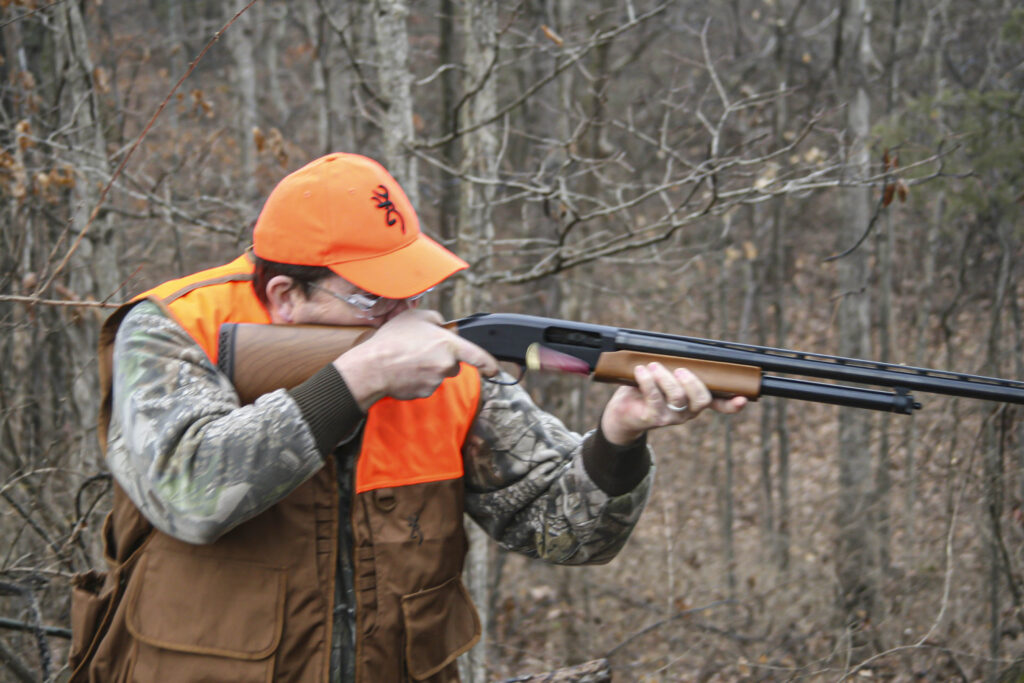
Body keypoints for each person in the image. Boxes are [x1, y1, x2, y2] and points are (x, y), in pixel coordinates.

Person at [69, 153, 746, 682]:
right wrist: (356, 380)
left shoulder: (446, 365)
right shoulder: (176, 328)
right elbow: (188, 490)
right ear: (286, 296)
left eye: (414, 290)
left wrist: (620, 434)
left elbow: (563, 530)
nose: (406, 317)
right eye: (375, 297)